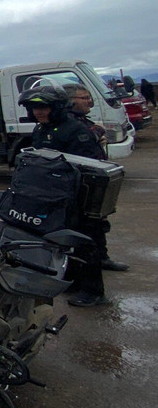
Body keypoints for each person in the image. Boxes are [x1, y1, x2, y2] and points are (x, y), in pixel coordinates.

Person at [19, 85, 110, 307]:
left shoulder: (75, 130)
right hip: (56, 198)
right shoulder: (40, 130)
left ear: (56, 107)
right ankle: (75, 283)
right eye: (34, 108)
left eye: (44, 107)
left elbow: (91, 167)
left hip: (78, 197)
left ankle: (94, 291)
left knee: (85, 243)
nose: (39, 112)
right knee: (65, 242)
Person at [63, 83, 129, 275]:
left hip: (95, 180)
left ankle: (103, 258)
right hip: (82, 183)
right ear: (71, 101)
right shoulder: (70, 122)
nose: (89, 101)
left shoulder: (82, 119)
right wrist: (98, 132)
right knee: (88, 227)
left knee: (99, 222)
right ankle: (87, 270)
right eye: (84, 98)